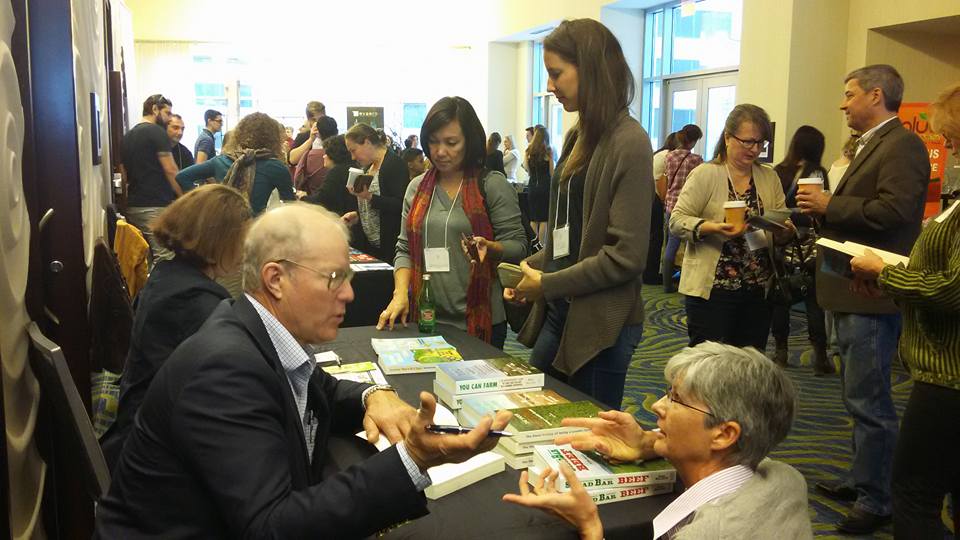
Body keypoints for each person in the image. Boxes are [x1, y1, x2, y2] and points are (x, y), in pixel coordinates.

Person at [94, 203, 512, 538]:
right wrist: (414, 458)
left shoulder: (250, 327)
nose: (349, 293)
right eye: (334, 278)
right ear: (275, 279)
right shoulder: (225, 370)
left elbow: (318, 388)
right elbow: (272, 526)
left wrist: (372, 395)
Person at [798, 64, 929, 535]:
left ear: (876, 95)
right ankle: (863, 477)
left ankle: (878, 500)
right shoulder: (872, 144)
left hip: (872, 293)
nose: (843, 103)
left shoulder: (904, 145)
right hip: (849, 288)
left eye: (849, 94)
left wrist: (831, 205)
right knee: (857, 398)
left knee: (870, 401)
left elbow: (895, 212)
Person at [503, 342, 812, 540]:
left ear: (724, 434)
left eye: (676, 399)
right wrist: (649, 444)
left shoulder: (707, 533)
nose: (656, 406)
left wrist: (590, 529)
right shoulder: (786, 478)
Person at [506, 19, 652, 409]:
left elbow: (626, 258)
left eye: (556, 74)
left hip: (602, 324)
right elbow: (569, 238)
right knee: (535, 416)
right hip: (563, 310)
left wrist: (547, 283)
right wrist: (531, 269)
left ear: (592, 70)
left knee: (587, 441)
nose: (550, 86)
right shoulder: (579, 136)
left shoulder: (630, 143)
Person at [849, 82, 960, 539]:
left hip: (948, 377)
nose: (948, 151)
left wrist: (887, 273)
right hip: (944, 371)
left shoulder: (901, 149)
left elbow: (954, 290)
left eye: (951, 140)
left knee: (913, 495)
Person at [99, 184, 252, 470]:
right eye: (241, 238)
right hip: (158, 453)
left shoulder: (167, 276)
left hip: (139, 426)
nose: (245, 248)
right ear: (217, 239)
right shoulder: (198, 304)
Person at [378, 97, 527, 348]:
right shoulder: (417, 188)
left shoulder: (491, 185)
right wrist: (400, 293)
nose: (440, 152)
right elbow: (404, 249)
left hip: (480, 319)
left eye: (451, 143)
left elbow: (518, 245)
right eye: (433, 142)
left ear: (470, 142)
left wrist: (491, 248)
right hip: (425, 317)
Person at [669, 104, 789, 351]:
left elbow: (781, 218)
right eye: (747, 142)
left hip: (757, 287)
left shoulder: (769, 177)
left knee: (748, 365)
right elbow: (677, 220)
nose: (754, 149)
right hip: (713, 288)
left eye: (760, 143)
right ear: (727, 137)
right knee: (707, 364)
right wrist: (711, 227)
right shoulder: (706, 174)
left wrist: (785, 230)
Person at [769, 125, 833, 374]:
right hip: (807, 244)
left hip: (781, 240)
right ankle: (820, 356)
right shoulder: (816, 173)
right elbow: (818, 211)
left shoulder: (778, 171)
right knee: (814, 300)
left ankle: (781, 352)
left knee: (781, 295)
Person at [177, 112, 295, 215]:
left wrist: (204, 204)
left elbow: (182, 177)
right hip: (253, 231)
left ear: (239, 134)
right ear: (273, 138)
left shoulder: (221, 161)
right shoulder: (275, 167)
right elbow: (290, 205)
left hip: (220, 229)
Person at [121, 94, 182, 266]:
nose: (169, 118)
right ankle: (162, 294)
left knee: (143, 261)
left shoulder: (128, 136)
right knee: (166, 260)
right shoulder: (157, 133)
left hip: (133, 206)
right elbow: (170, 170)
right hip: (155, 206)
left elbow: (124, 174)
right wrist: (184, 196)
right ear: (154, 109)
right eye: (167, 113)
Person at [342, 123, 411, 263]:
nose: (353, 157)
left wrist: (370, 197)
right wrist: (358, 214)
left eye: (354, 150)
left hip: (388, 246)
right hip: (371, 245)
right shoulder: (369, 167)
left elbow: (401, 205)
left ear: (367, 142)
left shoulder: (393, 164)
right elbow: (371, 205)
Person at [661, 125, 704, 292]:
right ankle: (687, 283)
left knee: (670, 245)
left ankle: (666, 284)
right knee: (691, 247)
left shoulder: (669, 156)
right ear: (693, 141)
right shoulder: (696, 160)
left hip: (670, 205)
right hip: (688, 207)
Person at [306, 134, 357, 217]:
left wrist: (302, 198)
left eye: (326, 153)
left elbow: (322, 199)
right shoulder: (352, 167)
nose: (323, 156)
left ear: (333, 154)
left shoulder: (337, 172)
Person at [292, 115, 339, 196]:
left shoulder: (309, 155)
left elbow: (297, 178)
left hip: (312, 198)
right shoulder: (344, 152)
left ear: (318, 132)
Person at [525, 125, 553, 243]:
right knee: (544, 220)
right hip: (545, 187)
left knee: (534, 219)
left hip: (532, 187)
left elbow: (528, 170)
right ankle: (542, 246)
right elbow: (552, 171)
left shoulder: (528, 151)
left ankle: (533, 246)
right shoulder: (548, 151)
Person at [288, 100, 326, 165]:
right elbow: (292, 160)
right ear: (308, 120)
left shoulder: (331, 135)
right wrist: (311, 140)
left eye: (320, 119)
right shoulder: (303, 137)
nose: (317, 123)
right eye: (314, 120)